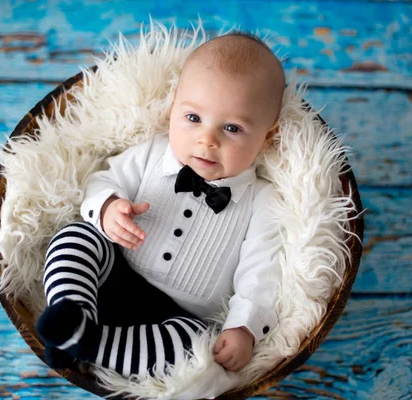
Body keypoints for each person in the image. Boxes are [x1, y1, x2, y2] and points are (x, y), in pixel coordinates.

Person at [36, 31, 286, 378]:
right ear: (173, 107)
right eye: (193, 118)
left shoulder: (263, 200)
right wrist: (108, 208)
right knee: (76, 237)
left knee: (194, 347)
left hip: (176, 317)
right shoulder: (153, 153)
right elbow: (102, 180)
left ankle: (89, 344)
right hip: (112, 272)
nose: (207, 139)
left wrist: (244, 327)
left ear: (267, 136)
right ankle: (71, 312)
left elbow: (262, 272)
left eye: (232, 127)